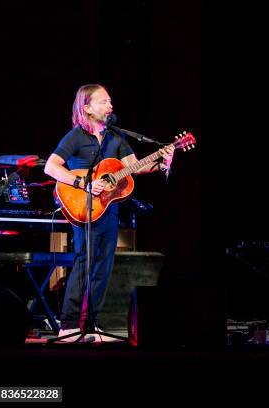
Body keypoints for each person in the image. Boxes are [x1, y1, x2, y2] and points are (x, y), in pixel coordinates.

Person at [44, 84, 174, 342]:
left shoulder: (117, 138)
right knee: (84, 261)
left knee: (103, 266)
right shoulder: (76, 136)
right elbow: (51, 166)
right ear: (87, 108)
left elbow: (134, 168)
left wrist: (162, 161)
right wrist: (83, 184)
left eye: (110, 101)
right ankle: (68, 326)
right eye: (103, 102)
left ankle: (92, 325)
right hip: (82, 206)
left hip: (109, 209)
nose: (110, 106)